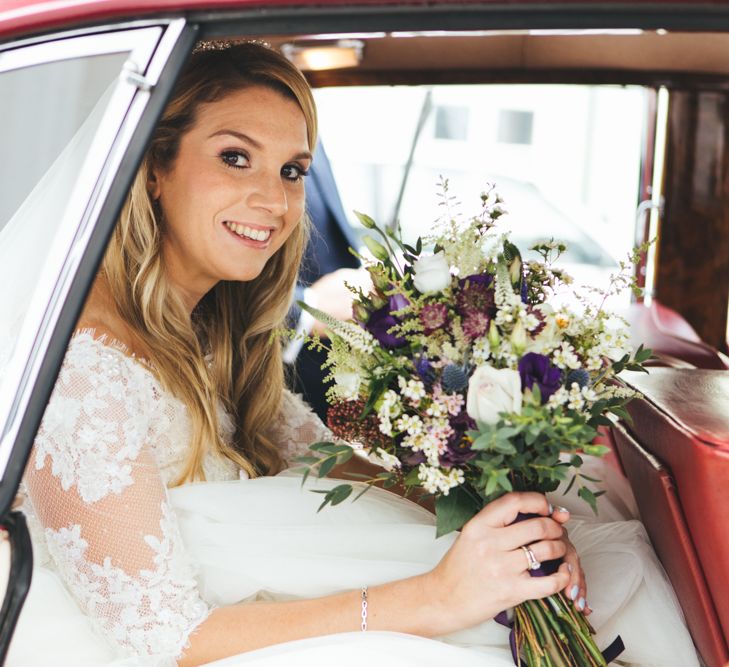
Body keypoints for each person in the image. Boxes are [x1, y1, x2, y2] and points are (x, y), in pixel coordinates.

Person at [11, 41, 698, 667]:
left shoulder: (217, 333)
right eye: (233, 157)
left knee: (606, 554)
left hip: (267, 589)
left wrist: (496, 525)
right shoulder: (80, 373)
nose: (272, 199)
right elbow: (166, 637)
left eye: (291, 169)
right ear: (153, 167)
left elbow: (332, 458)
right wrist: (435, 597)